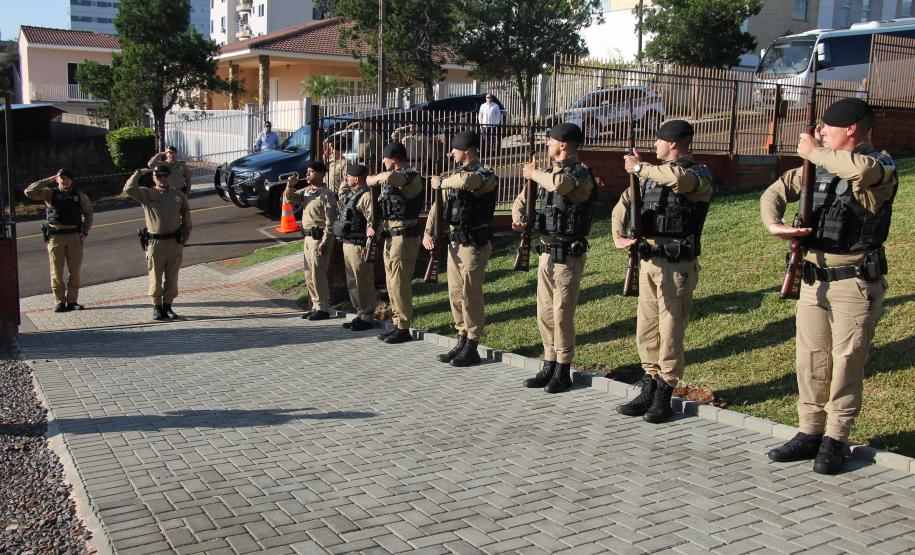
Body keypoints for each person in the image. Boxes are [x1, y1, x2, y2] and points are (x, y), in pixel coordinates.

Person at [761, 98, 896, 475]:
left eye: (826, 127)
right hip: (813, 278)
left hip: (854, 282)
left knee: (846, 362)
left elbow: (861, 170)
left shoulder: (879, 165)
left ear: (851, 128)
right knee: (811, 360)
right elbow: (773, 192)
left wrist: (815, 151)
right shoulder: (817, 166)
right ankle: (809, 431)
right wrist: (776, 224)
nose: (819, 133)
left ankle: (836, 438)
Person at [611, 120, 714, 424]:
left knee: (670, 331)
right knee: (647, 327)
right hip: (649, 261)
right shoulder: (650, 177)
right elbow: (625, 202)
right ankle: (649, 383)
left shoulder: (697, 173)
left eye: (658, 140)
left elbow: (679, 180)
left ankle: (664, 393)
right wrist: (618, 232)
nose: (654, 145)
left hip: (677, 265)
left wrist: (639, 167)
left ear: (672, 143)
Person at [512, 123, 596, 393]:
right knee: (545, 313)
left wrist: (533, 173)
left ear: (563, 144)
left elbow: (559, 186)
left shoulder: (579, 173)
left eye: (550, 141)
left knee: (561, 313)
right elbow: (521, 200)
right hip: (546, 252)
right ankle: (549, 362)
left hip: (568, 254)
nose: (547, 145)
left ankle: (563, 368)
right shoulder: (545, 173)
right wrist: (518, 218)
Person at [423, 131, 497, 367]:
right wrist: (428, 231)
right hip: (454, 242)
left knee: (470, 293)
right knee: (455, 293)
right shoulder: (452, 176)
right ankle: (462, 337)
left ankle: (473, 344)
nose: (451, 153)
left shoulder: (484, 174)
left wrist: (442, 182)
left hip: (474, 243)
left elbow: (467, 182)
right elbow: (438, 205)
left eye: (454, 149)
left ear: (468, 150)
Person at [367, 142, 423, 344]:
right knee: (391, 283)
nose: (383, 162)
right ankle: (398, 323)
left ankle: (404, 327)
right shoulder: (389, 180)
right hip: (390, 236)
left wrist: (372, 179)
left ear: (394, 158)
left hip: (404, 236)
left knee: (399, 283)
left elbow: (391, 177)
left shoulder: (410, 175)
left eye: (385, 158)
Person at [124, 163, 192, 321]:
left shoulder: (178, 196)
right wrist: (139, 172)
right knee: (155, 276)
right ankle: (156, 307)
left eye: (165, 175)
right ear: (154, 178)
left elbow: (187, 220)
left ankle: (168, 306)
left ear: (170, 177)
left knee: (172, 276)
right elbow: (128, 189)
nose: (162, 178)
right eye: (159, 176)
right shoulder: (147, 194)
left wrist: (183, 239)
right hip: (155, 243)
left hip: (174, 242)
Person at [24, 169, 93, 312]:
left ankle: (72, 301)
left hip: (74, 236)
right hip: (56, 237)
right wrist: (48, 179)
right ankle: (59, 301)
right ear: (57, 180)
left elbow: (89, 214)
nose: (64, 180)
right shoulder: (50, 194)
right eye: (61, 178)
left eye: (67, 178)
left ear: (71, 180)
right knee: (56, 272)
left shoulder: (79, 195)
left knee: (75, 271)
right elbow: (29, 192)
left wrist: (85, 232)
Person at [285, 161, 337, 321]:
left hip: (318, 237)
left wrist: (325, 241)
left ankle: (323, 308)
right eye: (307, 172)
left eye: (311, 172)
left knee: (317, 274)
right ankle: (315, 305)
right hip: (307, 238)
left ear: (321, 174)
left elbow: (331, 220)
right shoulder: (307, 191)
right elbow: (290, 199)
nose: (307, 175)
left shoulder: (326, 194)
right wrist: (289, 186)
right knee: (308, 274)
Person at [333, 163, 377, 331]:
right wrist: (346, 175)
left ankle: (367, 315)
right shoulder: (350, 194)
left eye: (349, 176)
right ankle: (360, 312)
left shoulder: (365, 196)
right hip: (348, 243)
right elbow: (341, 190)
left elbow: (373, 221)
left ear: (357, 178)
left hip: (359, 245)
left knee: (363, 280)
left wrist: (369, 244)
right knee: (352, 281)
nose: (346, 178)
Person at [324, 137, 349, 201]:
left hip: (336, 194)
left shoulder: (344, 163)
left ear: (340, 151)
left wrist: (341, 192)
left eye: (333, 149)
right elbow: (322, 169)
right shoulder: (329, 160)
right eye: (331, 149)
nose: (331, 151)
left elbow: (346, 180)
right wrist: (325, 157)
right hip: (326, 192)